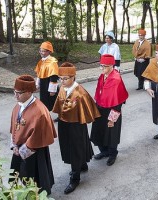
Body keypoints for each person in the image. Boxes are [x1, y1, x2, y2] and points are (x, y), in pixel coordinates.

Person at [52, 62, 101, 194]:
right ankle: (82, 165)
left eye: (65, 78)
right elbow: (59, 105)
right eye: (60, 78)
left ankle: (75, 178)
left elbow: (88, 109)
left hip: (76, 124)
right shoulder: (62, 88)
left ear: (73, 77)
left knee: (76, 147)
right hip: (64, 123)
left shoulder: (80, 93)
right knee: (67, 146)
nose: (62, 81)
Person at [9, 75, 57, 195]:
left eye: (19, 93)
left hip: (34, 150)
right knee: (21, 174)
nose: (15, 96)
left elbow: (38, 136)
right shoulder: (19, 105)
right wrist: (14, 144)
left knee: (36, 177)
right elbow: (15, 125)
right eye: (14, 92)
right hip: (19, 147)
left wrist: (22, 150)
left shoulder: (40, 111)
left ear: (29, 92)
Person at [91, 54, 129, 166]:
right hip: (100, 109)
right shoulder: (102, 76)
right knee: (99, 131)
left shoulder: (116, 79)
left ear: (112, 66)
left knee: (111, 134)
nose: (102, 68)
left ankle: (112, 154)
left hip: (112, 110)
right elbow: (99, 93)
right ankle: (104, 151)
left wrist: (112, 119)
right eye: (101, 66)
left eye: (105, 66)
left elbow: (118, 103)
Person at [34, 41, 59, 116]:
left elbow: (54, 76)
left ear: (49, 52)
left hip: (50, 85)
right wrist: (37, 84)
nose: (41, 53)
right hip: (43, 85)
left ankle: (60, 115)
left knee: (54, 101)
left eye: (43, 51)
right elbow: (39, 73)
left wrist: (52, 90)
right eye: (40, 51)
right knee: (44, 101)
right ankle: (45, 115)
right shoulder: (41, 61)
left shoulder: (52, 62)